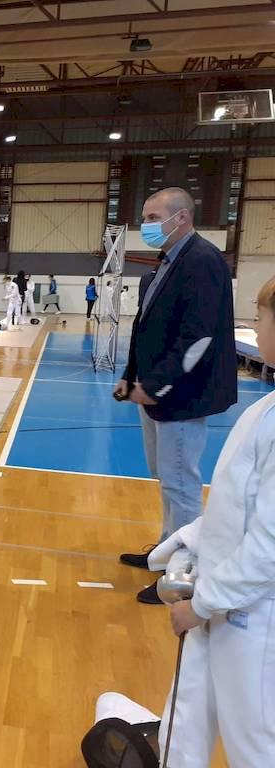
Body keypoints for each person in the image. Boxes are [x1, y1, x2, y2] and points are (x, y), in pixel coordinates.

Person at [148, 274, 275, 767]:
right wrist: (187, 545)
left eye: (261, 318)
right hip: (220, 599)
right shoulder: (264, 410)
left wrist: (202, 604)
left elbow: (268, 546)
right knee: (183, 725)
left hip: (253, 616)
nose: (256, 329)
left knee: (255, 745)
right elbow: (235, 505)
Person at [114, 186, 237, 604]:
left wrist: (156, 385)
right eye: (145, 217)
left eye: (153, 217)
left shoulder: (202, 261)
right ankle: (166, 551)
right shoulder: (161, 267)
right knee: (167, 478)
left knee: (182, 484)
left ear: (181, 217)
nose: (145, 225)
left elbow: (197, 337)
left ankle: (182, 575)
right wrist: (131, 377)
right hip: (154, 391)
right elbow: (143, 328)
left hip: (182, 395)